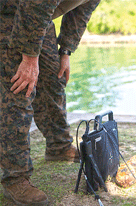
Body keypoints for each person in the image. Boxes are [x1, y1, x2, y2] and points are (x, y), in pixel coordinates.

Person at [0, 0, 101, 205]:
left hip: (40, 21)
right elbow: (35, 4)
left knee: (53, 79)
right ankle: (15, 178)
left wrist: (65, 51)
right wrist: (29, 58)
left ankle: (58, 146)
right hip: (10, 14)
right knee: (20, 89)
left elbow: (80, 12)